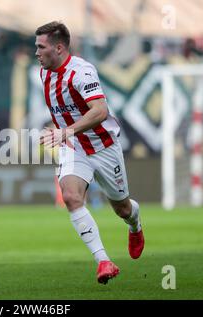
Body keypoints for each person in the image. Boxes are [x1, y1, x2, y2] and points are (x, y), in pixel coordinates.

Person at [36, 21, 144, 284]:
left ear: (59, 48)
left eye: (41, 47)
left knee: (122, 208)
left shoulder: (82, 72)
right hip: (73, 148)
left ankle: (135, 225)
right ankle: (103, 261)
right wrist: (64, 133)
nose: (36, 52)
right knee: (71, 197)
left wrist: (67, 130)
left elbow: (100, 111)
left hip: (104, 147)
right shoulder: (44, 73)